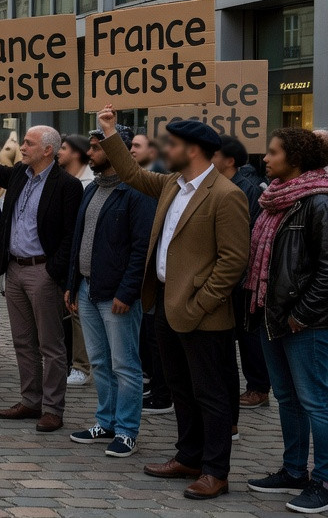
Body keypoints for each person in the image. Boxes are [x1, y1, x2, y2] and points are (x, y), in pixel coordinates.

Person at [98, 105, 249, 501]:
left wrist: (200, 304)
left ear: (195, 150)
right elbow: (130, 174)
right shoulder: (171, 184)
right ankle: (189, 456)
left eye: (174, 144)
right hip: (164, 302)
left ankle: (216, 471)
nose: (167, 149)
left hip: (203, 313)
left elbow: (233, 261)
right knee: (181, 388)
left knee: (211, 395)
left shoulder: (227, 195)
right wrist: (110, 132)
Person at [0, 110, 83, 433]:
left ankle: (53, 408)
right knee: (23, 341)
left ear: (48, 150)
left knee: (51, 345)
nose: (22, 147)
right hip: (13, 269)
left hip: (43, 272)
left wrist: (54, 270)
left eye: (28, 143)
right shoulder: (17, 176)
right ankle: (30, 400)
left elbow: (71, 235)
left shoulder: (67, 185)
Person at [243, 128, 328, 513]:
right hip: (270, 314)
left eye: (273, 152)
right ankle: (294, 471)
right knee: (288, 398)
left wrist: (302, 314)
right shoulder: (273, 199)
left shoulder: (318, 201)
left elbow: (326, 269)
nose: (265, 158)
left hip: (305, 322)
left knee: (316, 402)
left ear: (294, 158)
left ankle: (324, 481)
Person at [64, 124, 155, 459]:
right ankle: (106, 421)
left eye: (97, 147)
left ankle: (127, 430)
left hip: (117, 294)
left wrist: (127, 292)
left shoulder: (136, 191)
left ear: (120, 149)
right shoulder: (92, 189)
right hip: (88, 288)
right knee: (100, 361)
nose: (90, 153)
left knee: (125, 364)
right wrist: (73, 284)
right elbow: (79, 241)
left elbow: (141, 248)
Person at [211, 136, 270, 413]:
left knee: (248, 334)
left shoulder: (245, 189)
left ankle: (258, 388)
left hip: (242, 277)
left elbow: (247, 236)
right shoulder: (222, 185)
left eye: (215, 154)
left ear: (230, 160)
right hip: (228, 275)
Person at [58, 133, 96, 389]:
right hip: (64, 255)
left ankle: (82, 366)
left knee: (79, 313)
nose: (59, 152)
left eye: (63, 148)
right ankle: (67, 361)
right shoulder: (62, 180)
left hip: (83, 257)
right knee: (66, 311)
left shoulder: (88, 183)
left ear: (77, 153)